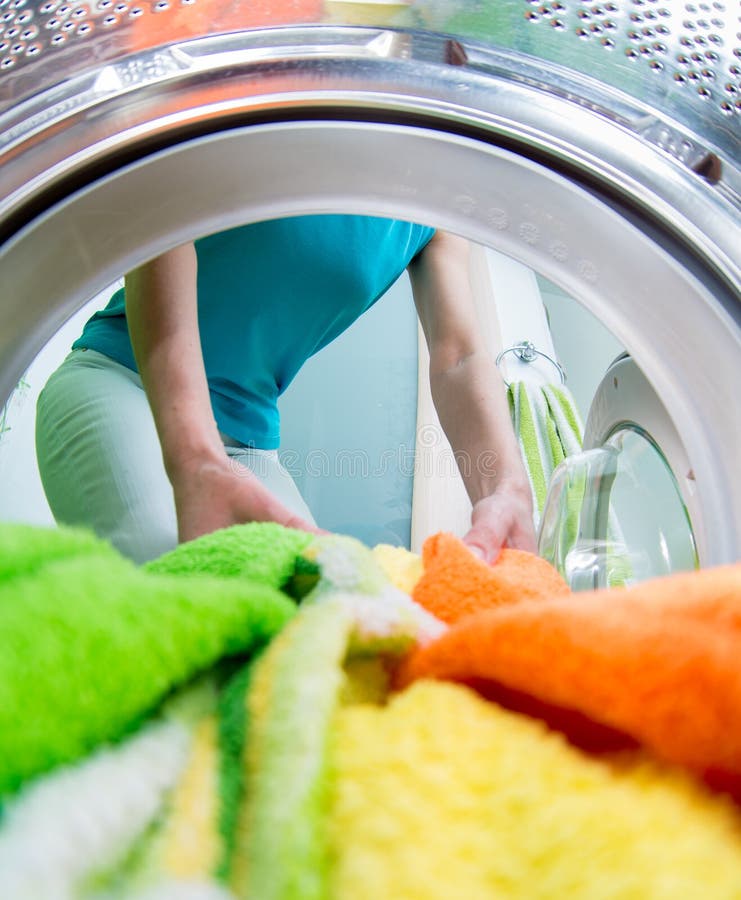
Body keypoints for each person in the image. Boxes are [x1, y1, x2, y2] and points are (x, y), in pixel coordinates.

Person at [36, 214, 535, 564]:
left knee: (327, 605)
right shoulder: (302, 105)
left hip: (249, 446)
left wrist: (508, 489)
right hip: (125, 384)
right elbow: (164, 228)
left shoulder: (433, 203)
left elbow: (458, 356)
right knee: (185, 581)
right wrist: (195, 459)